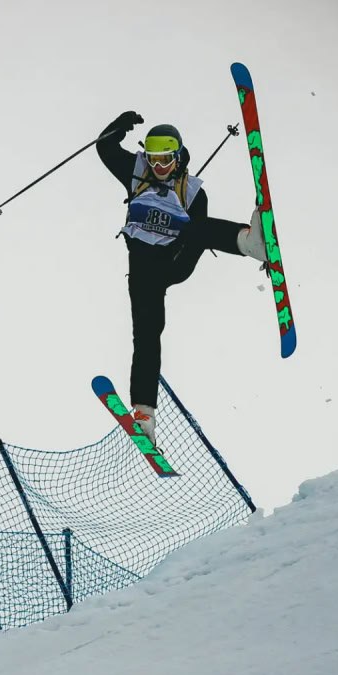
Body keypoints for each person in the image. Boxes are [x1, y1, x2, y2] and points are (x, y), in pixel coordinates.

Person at [96, 110, 266, 447]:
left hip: (174, 261)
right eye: (154, 159)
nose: (160, 168)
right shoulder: (135, 173)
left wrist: (187, 233)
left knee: (197, 227)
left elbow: (198, 238)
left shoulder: (193, 192)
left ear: (178, 157)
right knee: (147, 333)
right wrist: (118, 127)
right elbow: (105, 149)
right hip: (143, 270)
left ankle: (249, 243)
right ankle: (144, 413)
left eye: (166, 160)